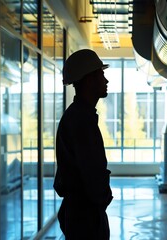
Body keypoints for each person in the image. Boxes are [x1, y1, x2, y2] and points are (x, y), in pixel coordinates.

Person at [54, 49, 113, 239]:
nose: (106, 81)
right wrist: (103, 198)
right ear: (88, 79)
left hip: (81, 213)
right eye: (101, 74)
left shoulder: (77, 115)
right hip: (85, 217)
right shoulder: (81, 120)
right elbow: (92, 171)